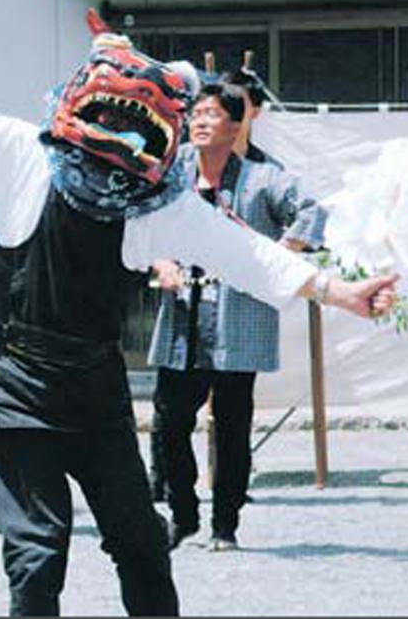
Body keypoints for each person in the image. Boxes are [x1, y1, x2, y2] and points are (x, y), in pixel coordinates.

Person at [0, 8, 397, 616]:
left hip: (96, 394)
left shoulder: (156, 203)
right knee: (38, 552)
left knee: (142, 541)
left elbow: (245, 253)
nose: (121, 123)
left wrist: (336, 291)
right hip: (16, 394)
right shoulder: (25, 156)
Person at [148, 82, 327, 552]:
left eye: (212, 114)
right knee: (168, 424)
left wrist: (276, 258)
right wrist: (160, 261)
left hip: (236, 320)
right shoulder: (172, 173)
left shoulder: (263, 178)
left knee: (231, 428)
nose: (201, 121)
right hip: (182, 320)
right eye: (196, 114)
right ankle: (181, 514)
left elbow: (311, 211)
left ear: (235, 124)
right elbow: (141, 218)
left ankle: (225, 523)